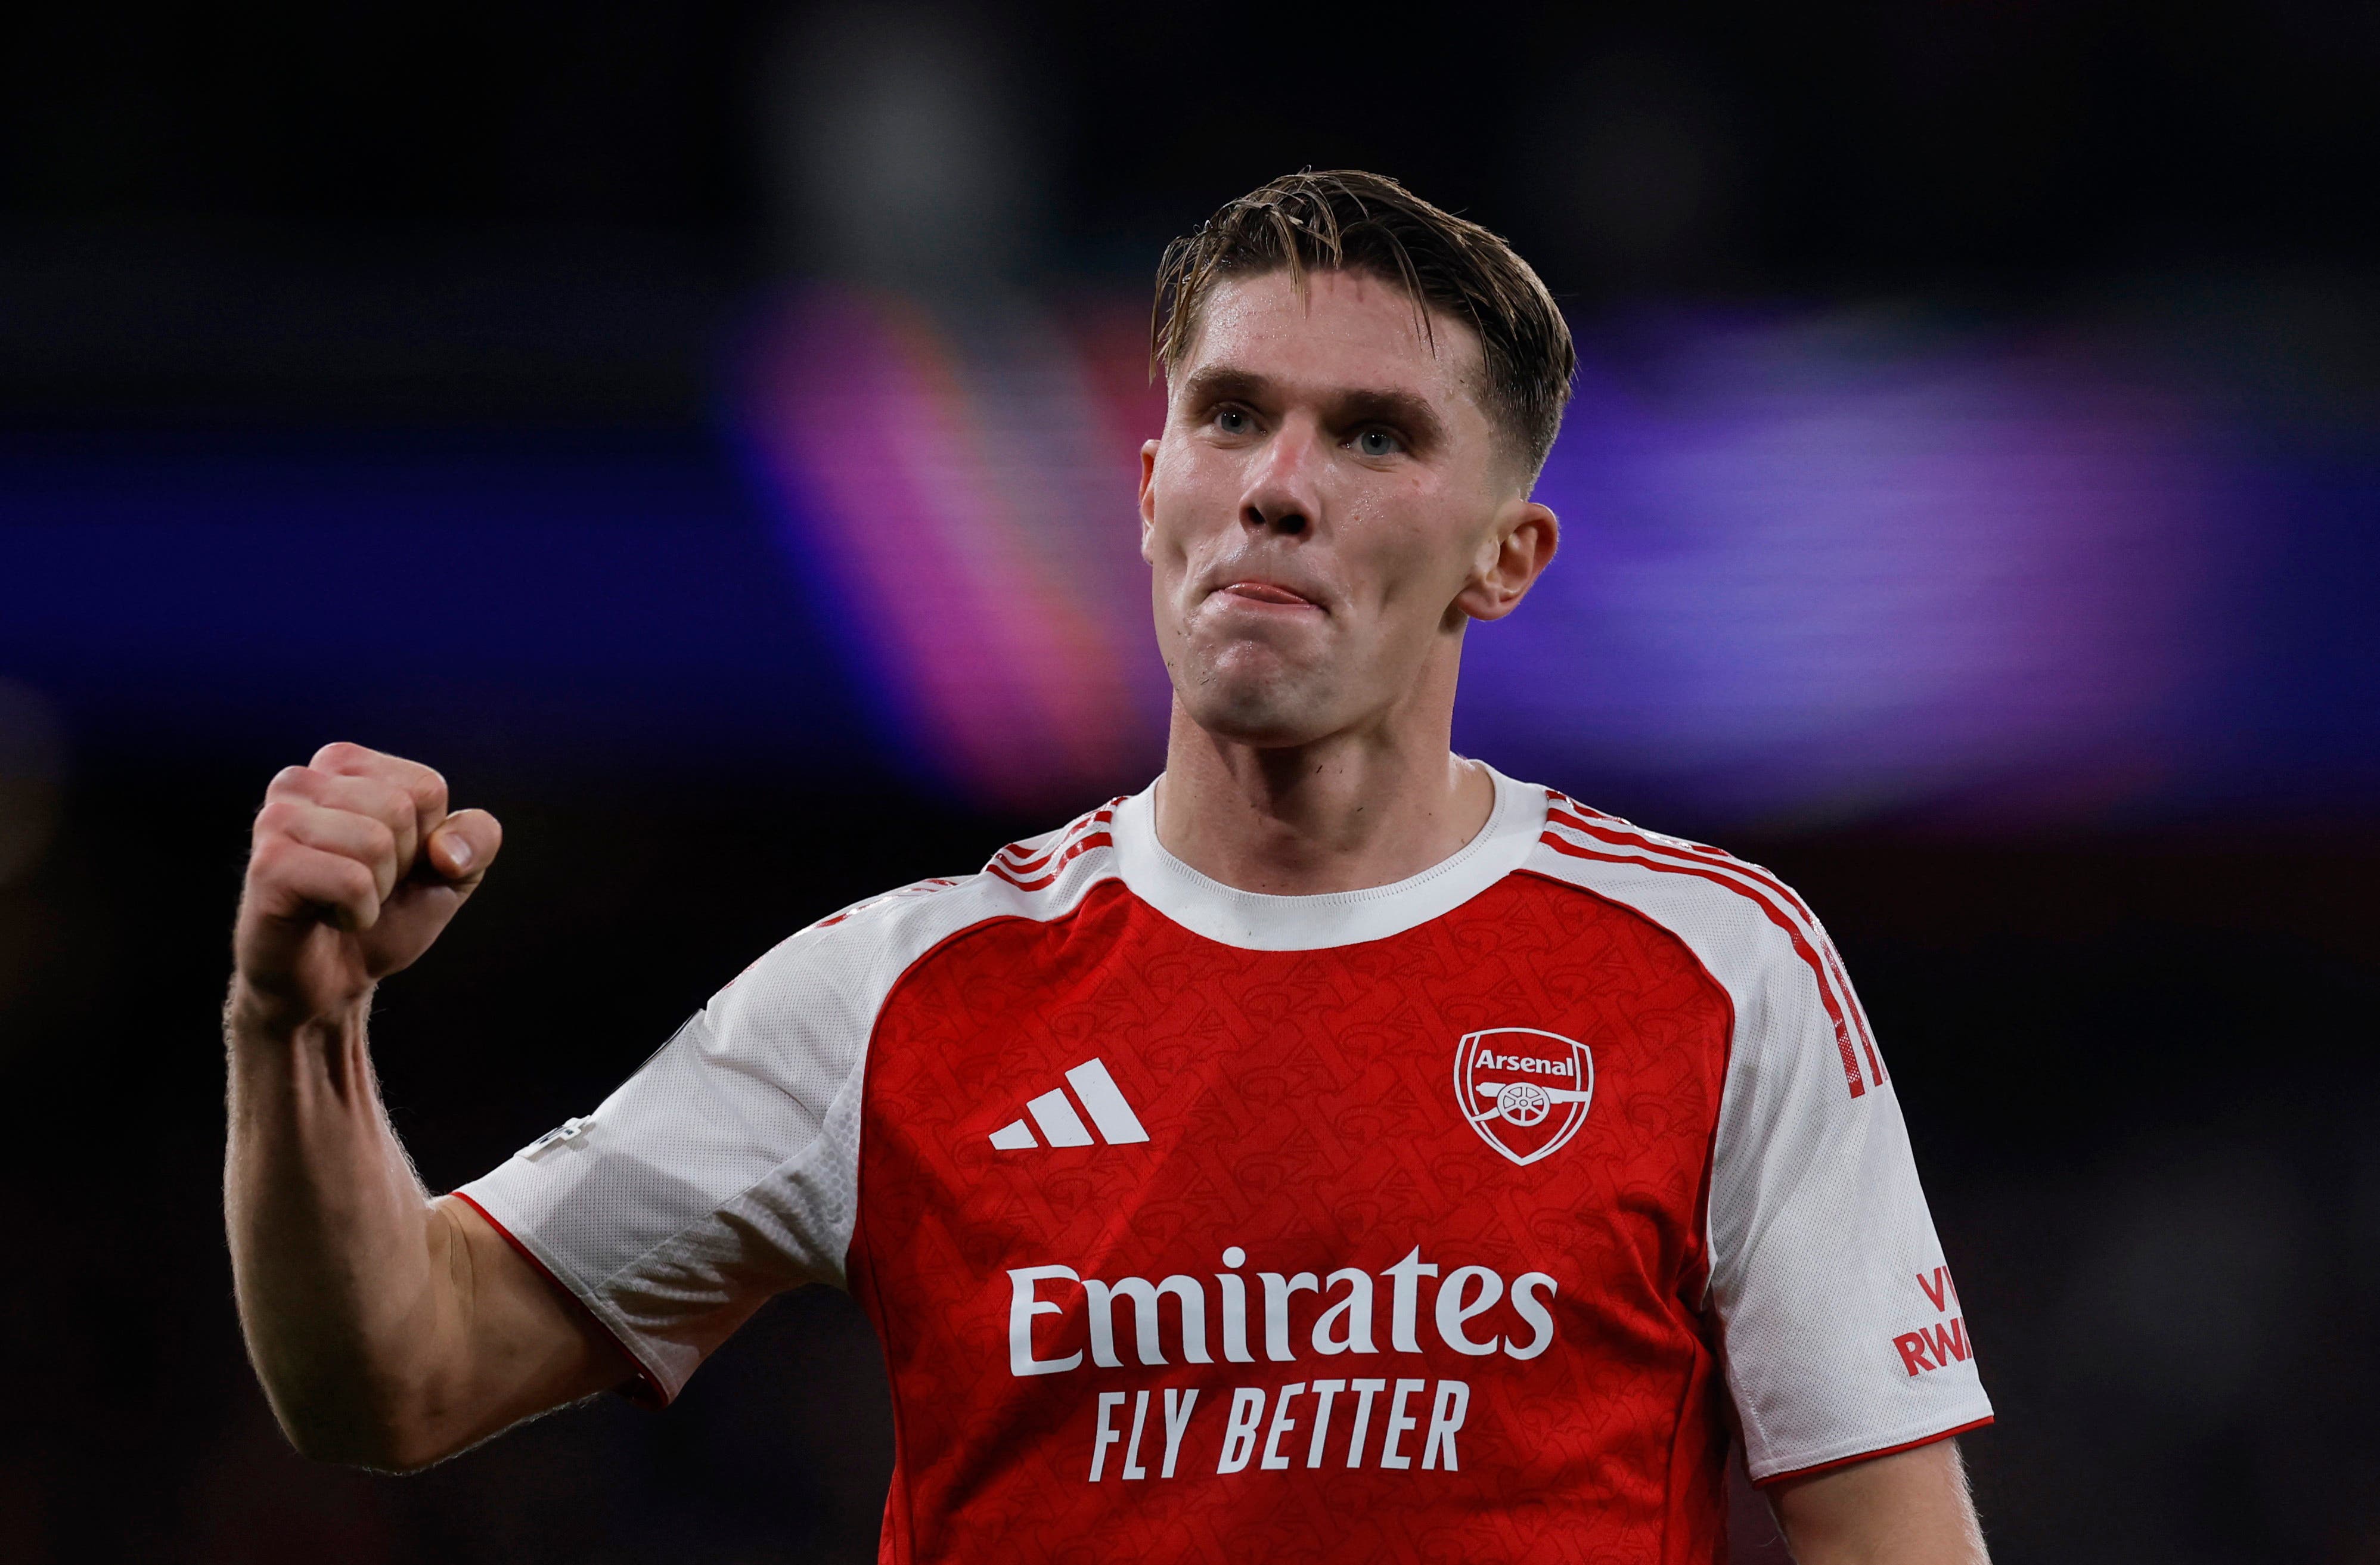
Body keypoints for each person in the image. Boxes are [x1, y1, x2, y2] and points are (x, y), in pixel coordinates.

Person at [224, 170, 1992, 1562]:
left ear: (1505, 557)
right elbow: (398, 1369)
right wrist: (292, 1033)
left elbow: (1890, 1542)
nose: (1274, 487)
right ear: (1149, 486)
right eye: (1230, 416)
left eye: (1373, 434)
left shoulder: (1711, 968)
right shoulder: (895, 995)